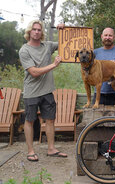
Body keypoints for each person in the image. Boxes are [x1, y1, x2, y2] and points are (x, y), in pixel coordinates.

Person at [19, 20, 67, 162]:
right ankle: (30, 151)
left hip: (47, 91)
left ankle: (51, 149)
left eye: (39, 30)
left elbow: (65, 44)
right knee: (30, 121)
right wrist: (53, 65)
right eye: (34, 29)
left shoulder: (47, 46)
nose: (36, 32)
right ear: (29, 32)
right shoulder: (24, 50)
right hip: (31, 92)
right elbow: (33, 72)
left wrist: (62, 30)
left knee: (50, 120)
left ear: (42, 32)